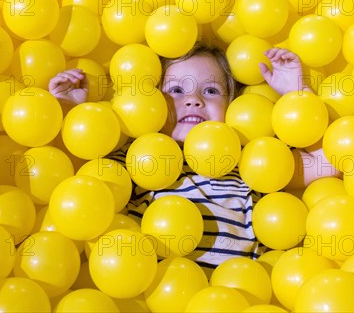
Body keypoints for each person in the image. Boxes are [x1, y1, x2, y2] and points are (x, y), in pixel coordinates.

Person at [49, 42, 338, 273]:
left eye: (211, 91)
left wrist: (296, 93)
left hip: (237, 296)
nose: (194, 100)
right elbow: (75, 179)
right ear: (150, 102)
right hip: (154, 288)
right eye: (175, 90)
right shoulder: (134, 159)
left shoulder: (249, 160)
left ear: (231, 106)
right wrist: (69, 108)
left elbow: (328, 162)